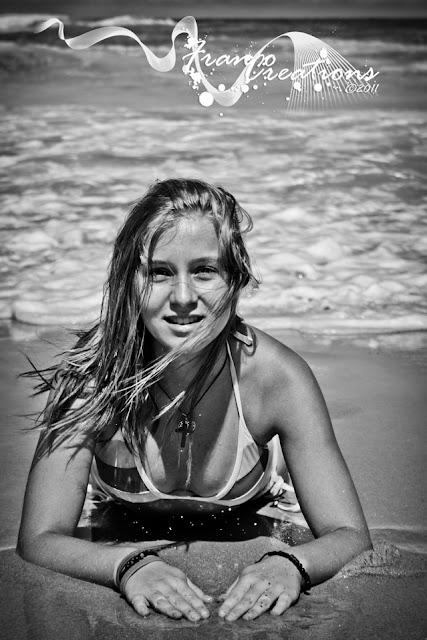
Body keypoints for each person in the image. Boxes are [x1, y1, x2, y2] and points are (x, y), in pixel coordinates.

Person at [17, 178, 372, 623]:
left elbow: (350, 535)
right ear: (129, 281)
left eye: (204, 270)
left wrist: (290, 564)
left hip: (256, 506)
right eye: (159, 272)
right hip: (114, 511)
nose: (183, 298)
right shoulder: (94, 379)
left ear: (235, 279)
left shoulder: (276, 378)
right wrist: (126, 565)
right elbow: (39, 539)